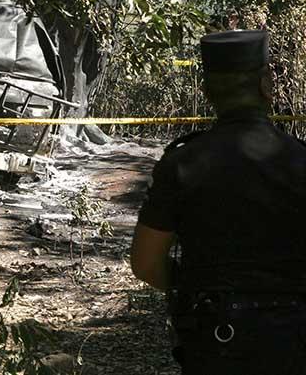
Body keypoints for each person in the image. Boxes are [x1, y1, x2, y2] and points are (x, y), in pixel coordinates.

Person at [131, 30, 306, 374]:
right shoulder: (300, 161)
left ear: (206, 92)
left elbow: (146, 262)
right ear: (266, 85)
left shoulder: (181, 164)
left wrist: (194, 289)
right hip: (293, 338)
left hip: (213, 338)